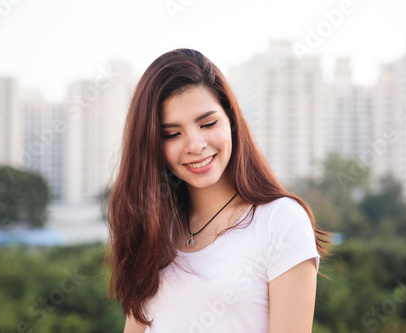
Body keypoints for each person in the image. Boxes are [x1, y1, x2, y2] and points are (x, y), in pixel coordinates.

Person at [105, 48, 329, 333]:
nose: (195, 145)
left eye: (208, 123)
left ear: (232, 121)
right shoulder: (154, 227)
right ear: (151, 145)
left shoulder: (280, 220)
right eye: (172, 134)